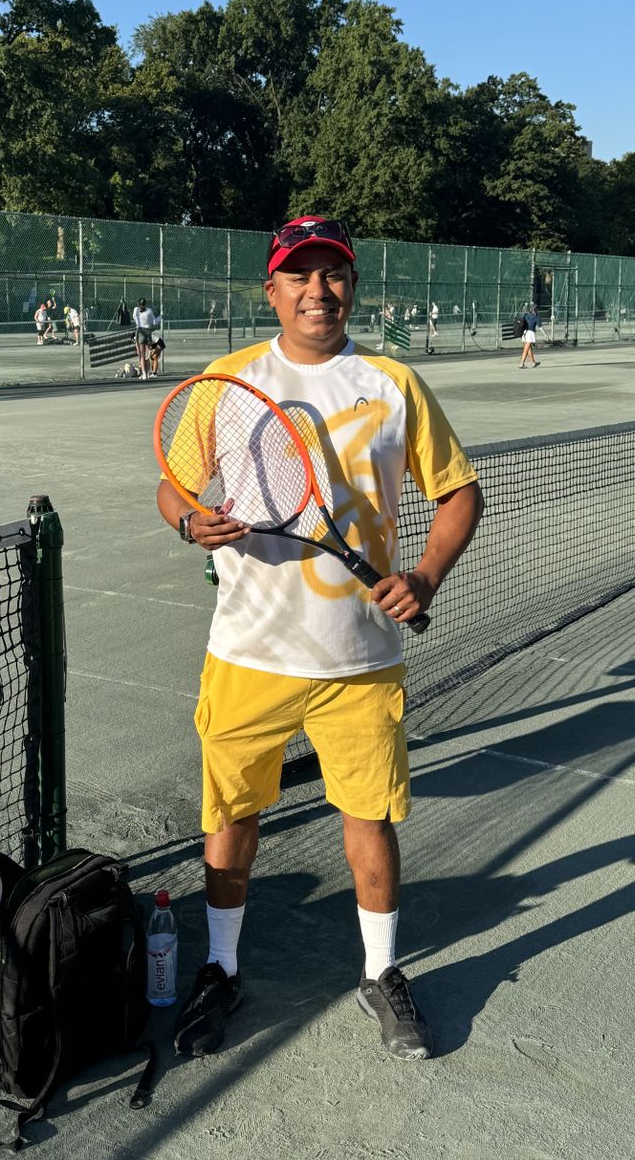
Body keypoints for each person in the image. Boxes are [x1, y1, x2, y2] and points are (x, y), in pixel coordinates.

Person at [156, 215, 483, 1063]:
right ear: (270, 290)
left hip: (360, 661)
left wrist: (424, 577)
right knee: (231, 819)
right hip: (246, 654)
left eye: (332, 272)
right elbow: (173, 484)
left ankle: (381, 972)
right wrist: (190, 519)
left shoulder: (391, 382)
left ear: (352, 285)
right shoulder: (226, 383)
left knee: (368, 820)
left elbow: (459, 494)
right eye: (298, 275)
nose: (317, 290)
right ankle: (221, 966)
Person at [132, 297, 158, 380]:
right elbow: (153, 322)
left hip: (141, 331)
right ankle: (146, 373)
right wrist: (160, 318)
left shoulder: (136, 310)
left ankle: (144, 374)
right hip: (147, 331)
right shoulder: (149, 311)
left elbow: (135, 319)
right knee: (146, 355)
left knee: (142, 355)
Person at [518, 304, 541, 368]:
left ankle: (533, 362)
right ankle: (521, 363)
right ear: (535, 310)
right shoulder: (536, 317)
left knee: (529, 349)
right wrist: (546, 336)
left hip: (524, 333)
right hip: (530, 334)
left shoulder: (526, 315)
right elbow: (541, 327)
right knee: (526, 349)